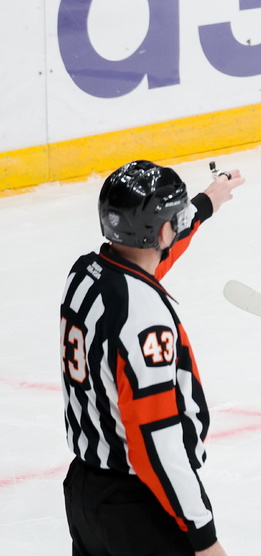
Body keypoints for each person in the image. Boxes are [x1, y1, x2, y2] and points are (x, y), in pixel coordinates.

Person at [61, 160, 245, 555]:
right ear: (160, 230)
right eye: (175, 217)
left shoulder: (86, 274)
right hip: (140, 508)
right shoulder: (144, 320)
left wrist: (209, 201)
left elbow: (151, 256)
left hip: (86, 494)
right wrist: (203, 536)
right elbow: (155, 442)